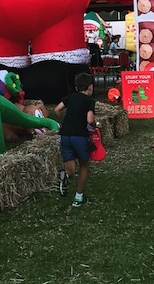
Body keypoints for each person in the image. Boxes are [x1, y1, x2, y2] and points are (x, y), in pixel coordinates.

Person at [53, 72, 96, 207]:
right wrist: (96, 125)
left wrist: (61, 123)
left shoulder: (70, 98)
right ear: (90, 87)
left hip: (65, 136)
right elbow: (90, 120)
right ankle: (78, 198)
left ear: (76, 87)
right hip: (80, 136)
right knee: (84, 165)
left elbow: (57, 109)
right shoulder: (89, 101)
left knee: (70, 166)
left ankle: (65, 175)